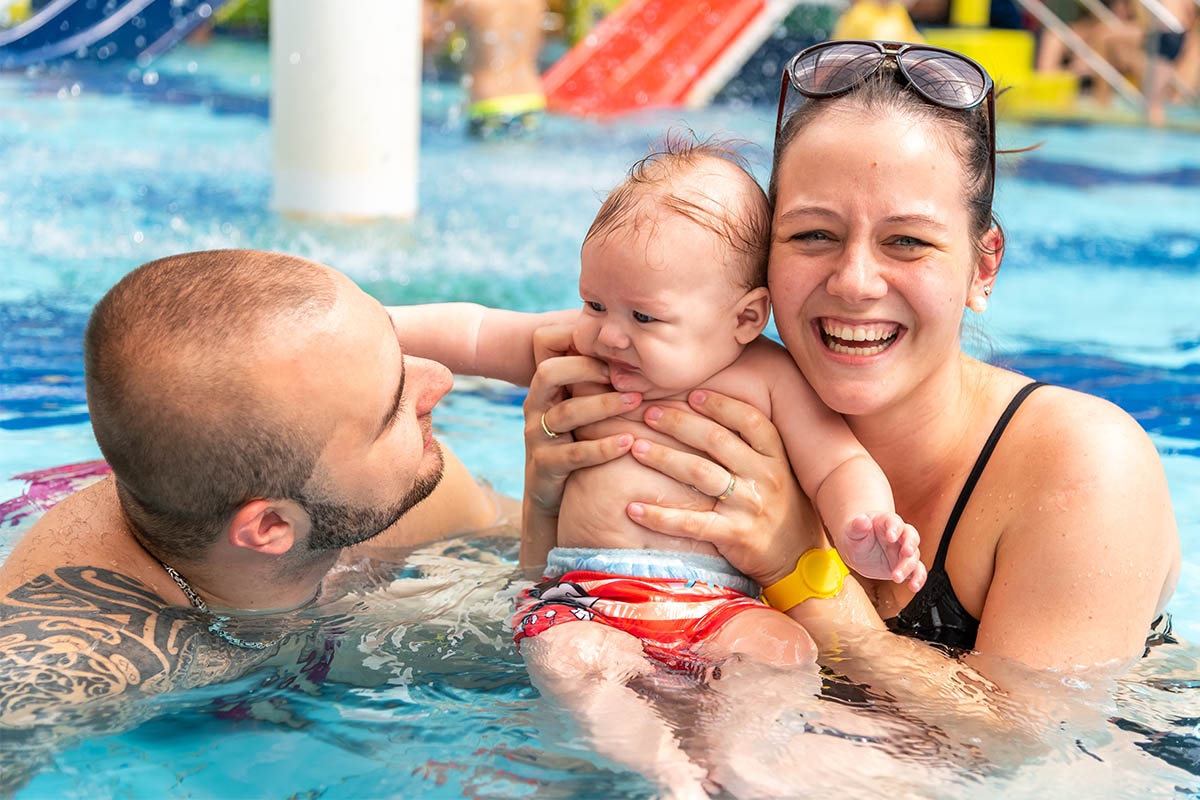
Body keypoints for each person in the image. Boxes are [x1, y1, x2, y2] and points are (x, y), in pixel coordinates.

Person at [522, 39, 1181, 719]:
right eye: (813, 235)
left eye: (907, 241)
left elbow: (1027, 749)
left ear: (983, 269)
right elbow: (582, 626)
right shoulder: (689, 391)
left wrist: (797, 569)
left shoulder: (1083, 466)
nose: (854, 283)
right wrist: (544, 510)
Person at [393, 134, 925, 795]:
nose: (610, 333)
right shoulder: (577, 351)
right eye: (595, 303)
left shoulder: (766, 375)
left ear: (744, 317)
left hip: (717, 605)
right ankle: (661, 767)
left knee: (784, 652)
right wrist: (372, 324)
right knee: (570, 660)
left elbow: (839, 464)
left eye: (645, 316)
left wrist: (865, 526)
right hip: (586, 598)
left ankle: (744, 763)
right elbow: (472, 333)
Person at [0, 250, 515, 787]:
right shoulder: (74, 658)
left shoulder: (398, 481)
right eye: (391, 410)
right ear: (270, 528)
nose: (440, 381)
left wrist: (555, 506)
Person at [423, 0, 547, 138]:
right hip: (530, 100)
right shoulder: (534, 3)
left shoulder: (468, 3)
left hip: (489, 102)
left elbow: (432, 43)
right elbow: (537, 47)